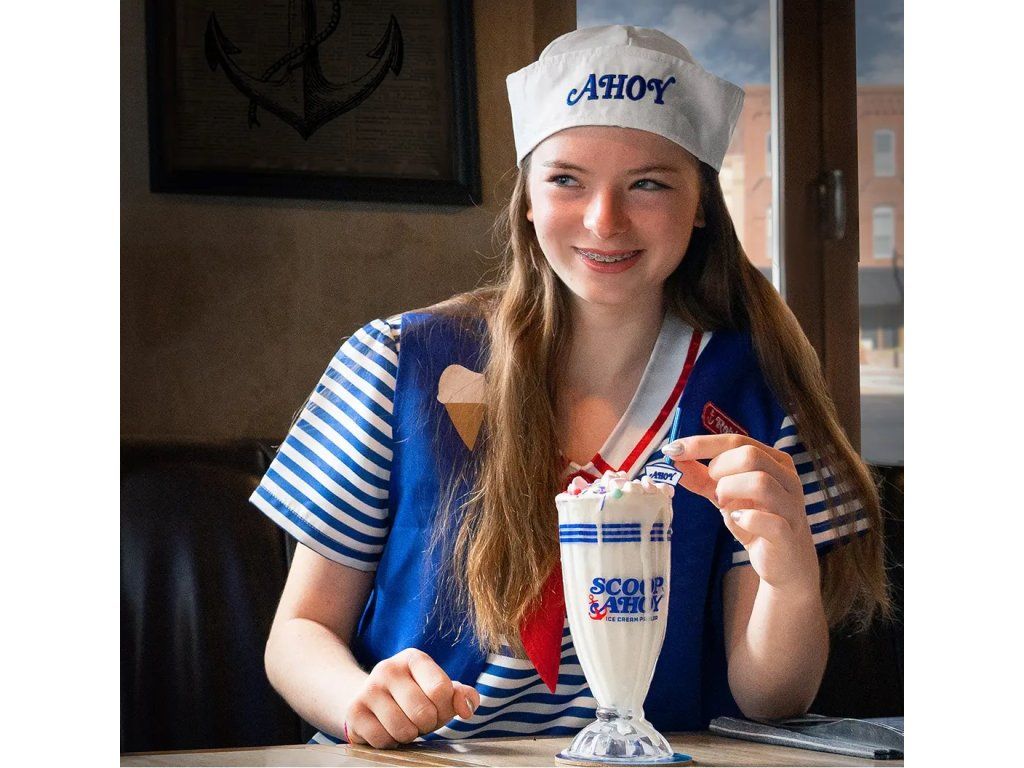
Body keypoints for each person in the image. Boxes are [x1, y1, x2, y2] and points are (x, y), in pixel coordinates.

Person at [253, 25, 890, 749]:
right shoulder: (397, 362)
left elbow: (772, 697)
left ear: (702, 206)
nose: (604, 220)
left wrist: (790, 573)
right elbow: (298, 633)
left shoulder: (756, 395)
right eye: (566, 180)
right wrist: (361, 700)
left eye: (648, 183)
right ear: (527, 197)